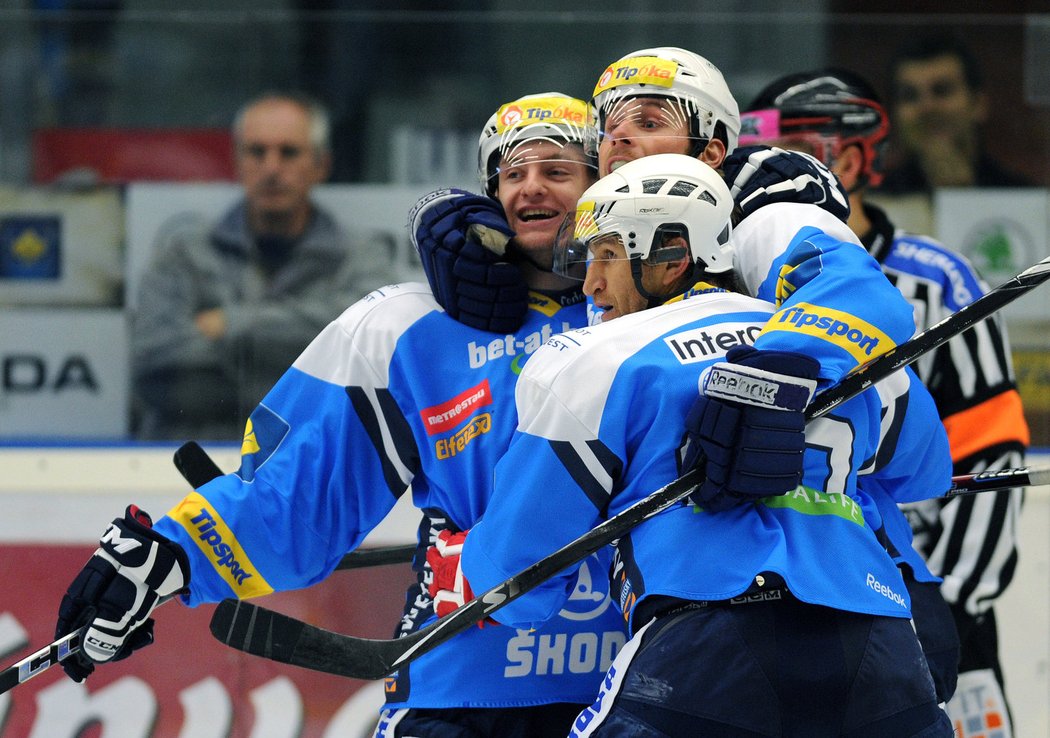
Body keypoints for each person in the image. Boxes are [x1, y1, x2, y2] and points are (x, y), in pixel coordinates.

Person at [55, 92, 631, 738]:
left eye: (557, 171)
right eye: (511, 173)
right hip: (462, 687)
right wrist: (170, 556)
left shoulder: (655, 314)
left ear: (604, 182)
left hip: (636, 686)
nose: (532, 188)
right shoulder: (408, 328)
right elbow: (298, 492)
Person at [429, 153, 955, 736]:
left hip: (706, 653)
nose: (590, 283)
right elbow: (926, 470)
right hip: (879, 649)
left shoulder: (592, 358)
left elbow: (518, 576)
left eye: (607, 254)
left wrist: (472, 563)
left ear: (671, 255)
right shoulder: (819, 338)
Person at [740, 67, 1030, 734]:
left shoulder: (936, 281)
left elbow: (991, 457)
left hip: (922, 607)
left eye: (805, 149)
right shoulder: (737, 278)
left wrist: (947, 608)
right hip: (783, 613)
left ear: (849, 156)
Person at [130, 91, 396, 441]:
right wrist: (302, 366)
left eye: (288, 152)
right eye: (257, 152)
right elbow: (153, 360)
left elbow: (373, 351)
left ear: (321, 165)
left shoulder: (361, 256)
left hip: (313, 460)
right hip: (190, 460)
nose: (271, 168)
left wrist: (230, 324)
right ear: (238, 162)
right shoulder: (184, 255)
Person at [878, 32, 1032, 193]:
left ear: (978, 104)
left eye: (942, 90)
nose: (927, 107)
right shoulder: (873, 206)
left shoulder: (1024, 198)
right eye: (910, 96)